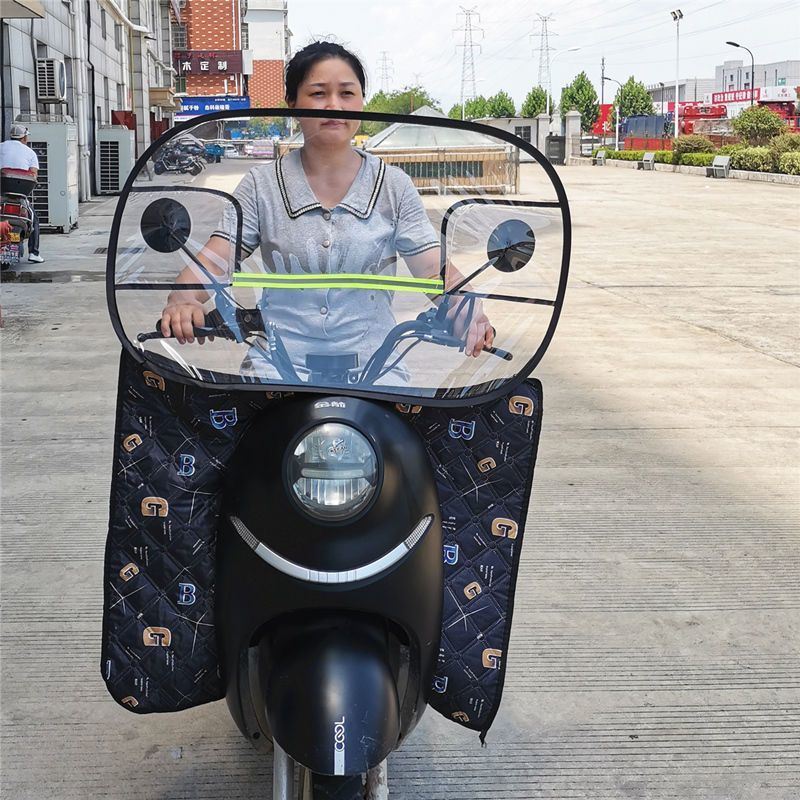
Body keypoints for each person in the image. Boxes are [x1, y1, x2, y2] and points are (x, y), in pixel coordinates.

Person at [160, 41, 493, 380]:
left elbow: (432, 270)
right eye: (318, 93)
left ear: (363, 101)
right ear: (292, 103)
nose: (334, 105)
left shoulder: (393, 185)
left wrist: (468, 311)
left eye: (347, 93)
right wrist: (182, 300)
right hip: (276, 368)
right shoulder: (262, 185)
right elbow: (216, 260)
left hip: (376, 371)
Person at [0, 124, 43, 263]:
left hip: (1, 194)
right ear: (24, 137)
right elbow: (34, 175)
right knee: (33, 219)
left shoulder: (1, 147)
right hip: (20, 197)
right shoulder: (30, 153)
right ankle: (34, 253)